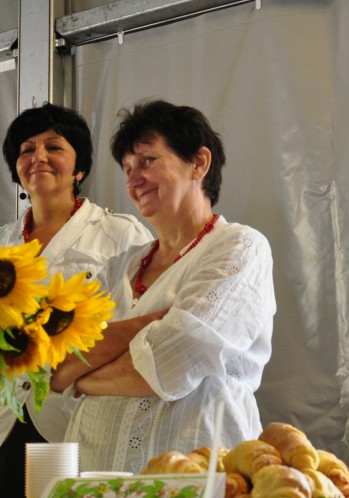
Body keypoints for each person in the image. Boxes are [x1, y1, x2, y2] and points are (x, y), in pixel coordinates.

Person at [50, 99, 276, 472]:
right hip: (95, 479)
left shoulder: (239, 246)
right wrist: (151, 323)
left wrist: (82, 379)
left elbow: (172, 359)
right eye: (127, 169)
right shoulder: (117, 267)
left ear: (199, 164)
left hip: (195, 476)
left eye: (148, 161)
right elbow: (56, 368)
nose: (133, 180)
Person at [0, 103, 152, 498]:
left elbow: (135, 329)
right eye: (26, 149)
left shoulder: (120, 234)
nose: (38, 156)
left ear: (79, 168)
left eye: (54, 146)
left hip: (70, 420)